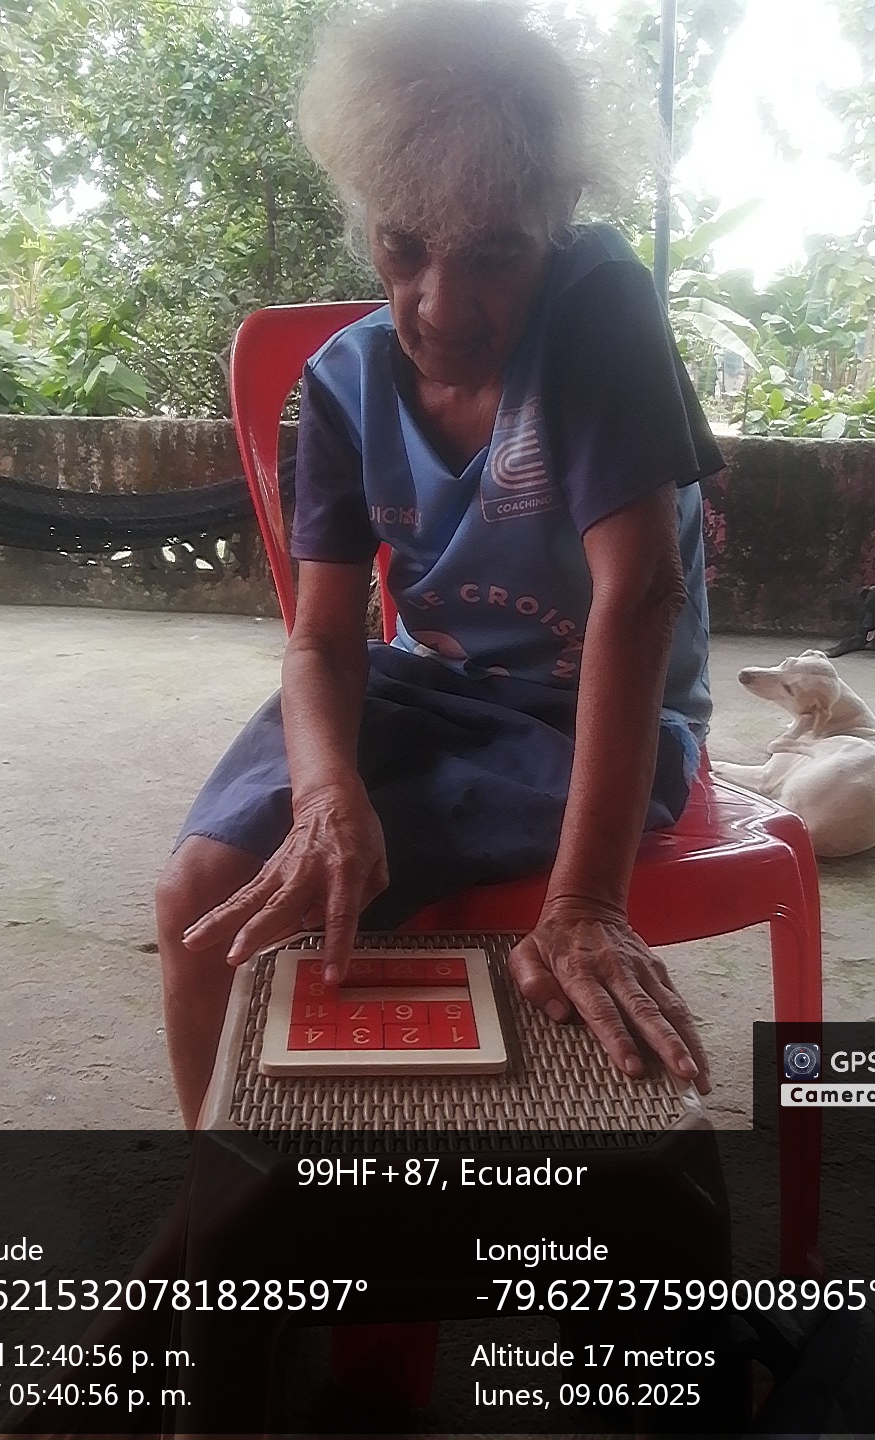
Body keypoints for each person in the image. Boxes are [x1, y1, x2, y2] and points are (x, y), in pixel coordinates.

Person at [157, 0, 724, 1127]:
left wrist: (586, 901)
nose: (441, 306)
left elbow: (640, 592)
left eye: (495, 252)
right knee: (201, 898)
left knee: (350, 904)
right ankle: (218, 1193)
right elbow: (323, 640)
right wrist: (328, 796)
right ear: (367, 220)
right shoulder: (344, 380)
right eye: (405, 247)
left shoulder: (600, 307)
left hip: (588, 721)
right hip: (423, 687)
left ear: (556, 222)